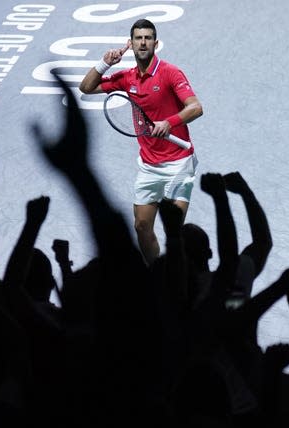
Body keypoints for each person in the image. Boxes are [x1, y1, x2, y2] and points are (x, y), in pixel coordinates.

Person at [79, 18, 203, 265]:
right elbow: (86, 87)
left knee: (174, 231)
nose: (143, 42)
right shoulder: (127, 78)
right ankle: (157, 274)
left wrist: (169, 122)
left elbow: (196, 107)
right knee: (141, 226)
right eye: (138, 38)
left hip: (178, 163)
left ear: (155, 44)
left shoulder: (170, 73)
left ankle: (179, 282)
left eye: (148, 38)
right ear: (131, 44)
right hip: (148, 166)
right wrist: (105, 63)